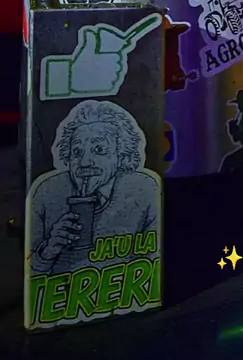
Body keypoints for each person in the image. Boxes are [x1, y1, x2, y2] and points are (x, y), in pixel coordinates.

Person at [27, 99, 160, 275]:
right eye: (77, 152)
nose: (84, 162)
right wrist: (47, 252)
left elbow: (155, 266)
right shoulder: (47, 191)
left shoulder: (144, 190)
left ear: (121, 156)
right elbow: (25, 273)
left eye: (99, 150)